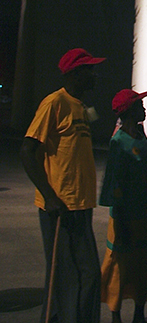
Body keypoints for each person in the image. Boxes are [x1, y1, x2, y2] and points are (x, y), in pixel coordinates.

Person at [20, 47, 105, 323]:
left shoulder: (81, 107)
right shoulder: (54, 103)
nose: (94, 74)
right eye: (89, 69)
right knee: (66, 278)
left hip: (81, 205)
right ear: (75, 73)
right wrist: (49, 195)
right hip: (60, 207)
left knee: (89, 274)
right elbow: (27, 150)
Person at [99, 89, 147, 323]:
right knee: (121, 267)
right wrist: (120, 218)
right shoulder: (119, 142)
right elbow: (114, 182)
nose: (144, 108)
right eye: (140, 105)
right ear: (129, 111)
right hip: (126, 216)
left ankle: (139, 312)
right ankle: (115, 314)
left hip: (145, 212)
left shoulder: (140, 135)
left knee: (144, 263)